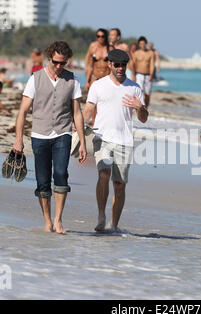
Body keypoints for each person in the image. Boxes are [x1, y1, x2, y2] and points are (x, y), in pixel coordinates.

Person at [13, 41, 87, 234]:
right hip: (39, 134)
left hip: (63, 133)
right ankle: (47, 220)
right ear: (49, 58)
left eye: (63, 63)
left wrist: (83, 143)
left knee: (61, 174)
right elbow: (22, 112)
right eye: (55, 62)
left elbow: (77, 114)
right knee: (43, 181)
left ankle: (58, 219)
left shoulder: (73, 80)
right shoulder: (35, 78)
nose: (58, 66)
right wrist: (18, 139)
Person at [82, 49, 148, 233]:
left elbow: (143, 118)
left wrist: (139, 107)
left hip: (125, 141)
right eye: (117, 64)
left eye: (123, 65)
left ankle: (114, 224)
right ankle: (101, 215)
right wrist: (79, 129)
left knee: (119, 185)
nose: (120, 68)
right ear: (109, 64)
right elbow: (88, 110)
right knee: (103, 174)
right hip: (102, 138)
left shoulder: (134, 87)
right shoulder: (98, 85)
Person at [132, 36, 155, 108]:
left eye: (144, 43)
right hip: (139, 75)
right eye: (141, 44)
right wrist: (133, 75)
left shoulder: (150, 53)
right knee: (139, 92)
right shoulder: (136, 53)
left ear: (146, 44)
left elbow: (152, 64)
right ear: (139, 44)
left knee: (147, 93)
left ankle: (146, 108)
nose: (142, 45)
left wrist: (151, 74)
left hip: (148, 75)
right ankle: (139, 108)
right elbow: (133, 65)